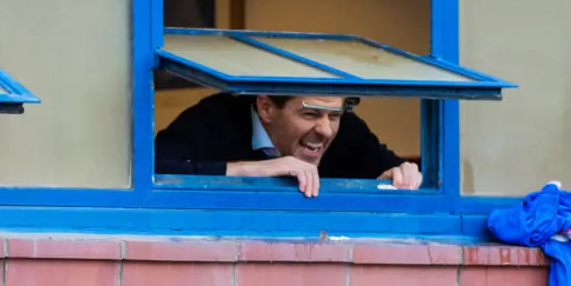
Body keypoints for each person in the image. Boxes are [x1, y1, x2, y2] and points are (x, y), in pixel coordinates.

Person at [155, 93, 423, 197]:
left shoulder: (347, 130)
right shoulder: (214, 118)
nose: (326, 129)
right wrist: (258, 170)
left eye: (334, 116)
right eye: (310, 114)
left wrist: (399, 174)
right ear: (266, 108)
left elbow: (388, 168)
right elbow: (155, 171)